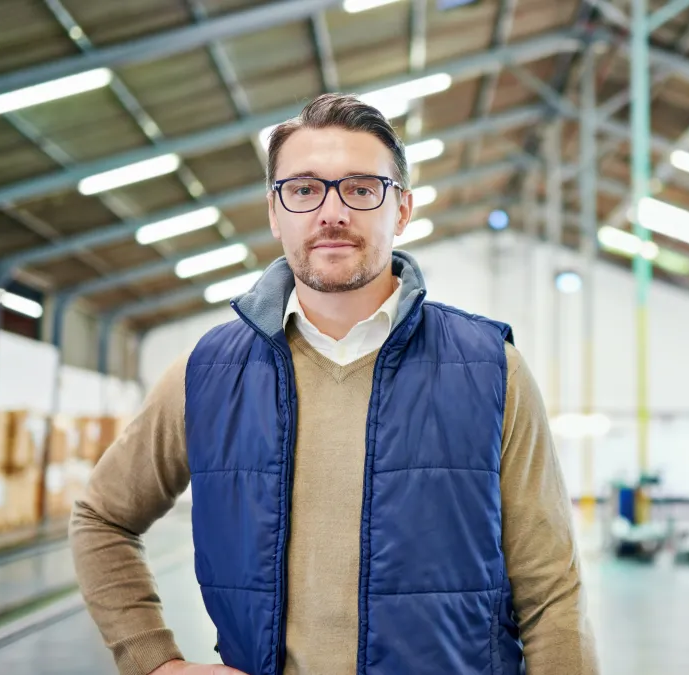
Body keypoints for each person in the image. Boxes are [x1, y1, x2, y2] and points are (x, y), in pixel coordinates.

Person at [70, 93, 599, 675]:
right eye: (303, 189)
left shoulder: (491, 370)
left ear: (400, 210)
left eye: (361, 188)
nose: (332, 213)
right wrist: (153, 661)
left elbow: (551, 594)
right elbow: (102, 518)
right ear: (275, 213)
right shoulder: (205, 375)